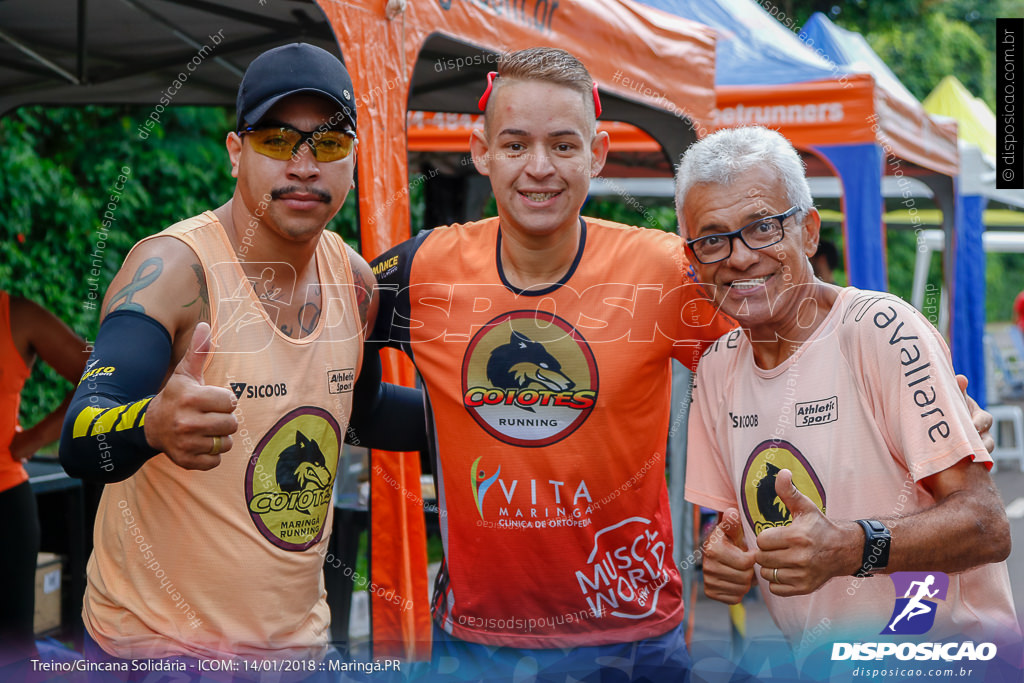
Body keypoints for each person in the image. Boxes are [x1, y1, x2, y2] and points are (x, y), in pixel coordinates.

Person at [367, 47, 734, 680]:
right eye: (515, 145)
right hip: (478, 644)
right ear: (481, 151)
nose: (539, 169)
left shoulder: (665, 271)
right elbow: (326, 374)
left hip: (632, 634)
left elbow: (765, 380)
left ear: (598, 152)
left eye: (564, 146)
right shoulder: (419, 270)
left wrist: (741, 512)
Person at [59, 43, 421, 670]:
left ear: (354, 160)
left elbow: (356, 415)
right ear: (235, 152)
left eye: (330, 144)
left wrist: (485, 417)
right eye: (279, 141)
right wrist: (150, 425)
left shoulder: (358, 284)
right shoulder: (173, 271)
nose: (305, 165)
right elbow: (82, 433)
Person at [679, 127, 1018, 657]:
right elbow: (736, 525)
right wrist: (724, 554)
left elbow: (986, 525)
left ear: (809, 233)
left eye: (762, 228)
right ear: (693, 259)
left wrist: (850, 547)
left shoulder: (881, 331)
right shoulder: (718, 368)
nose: (739, 257)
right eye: (713, 239)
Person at [0, 292, 86, 671]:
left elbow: (96, 376)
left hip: (3, 504)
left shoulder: (15, 315)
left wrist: (31, 439)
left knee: (13, 651)